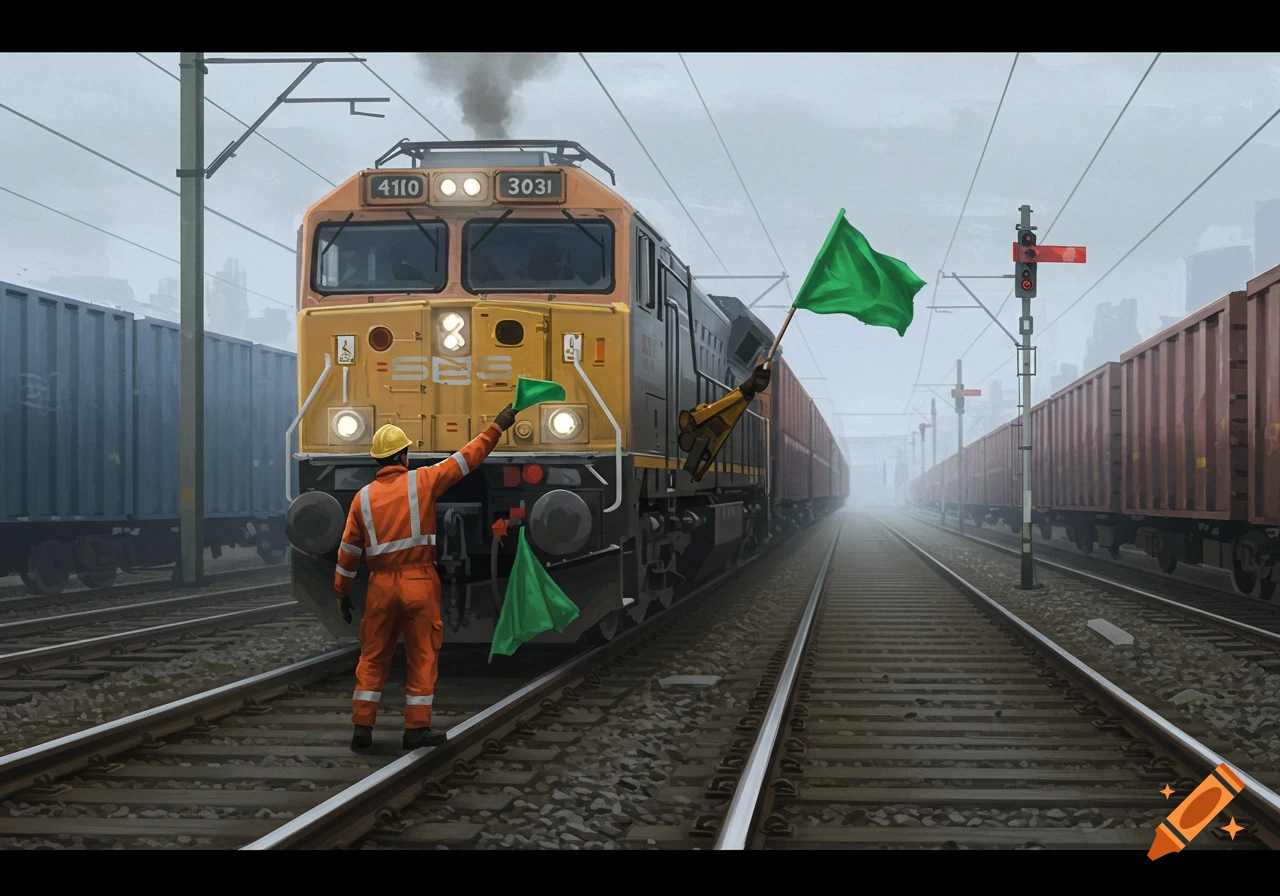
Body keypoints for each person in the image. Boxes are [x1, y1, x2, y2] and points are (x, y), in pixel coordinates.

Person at [335, 407, 518, 751]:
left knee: (373, 656)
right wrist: (497, 427)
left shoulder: (361, 499)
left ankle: (362, 727)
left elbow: (347, 554)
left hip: (379, 587)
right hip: (418, 582)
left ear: (378, 460)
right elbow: (466, 459)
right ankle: (415, 730)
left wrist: (342, 594)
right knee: (422, 655)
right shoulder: (422, 481)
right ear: (403, 455)